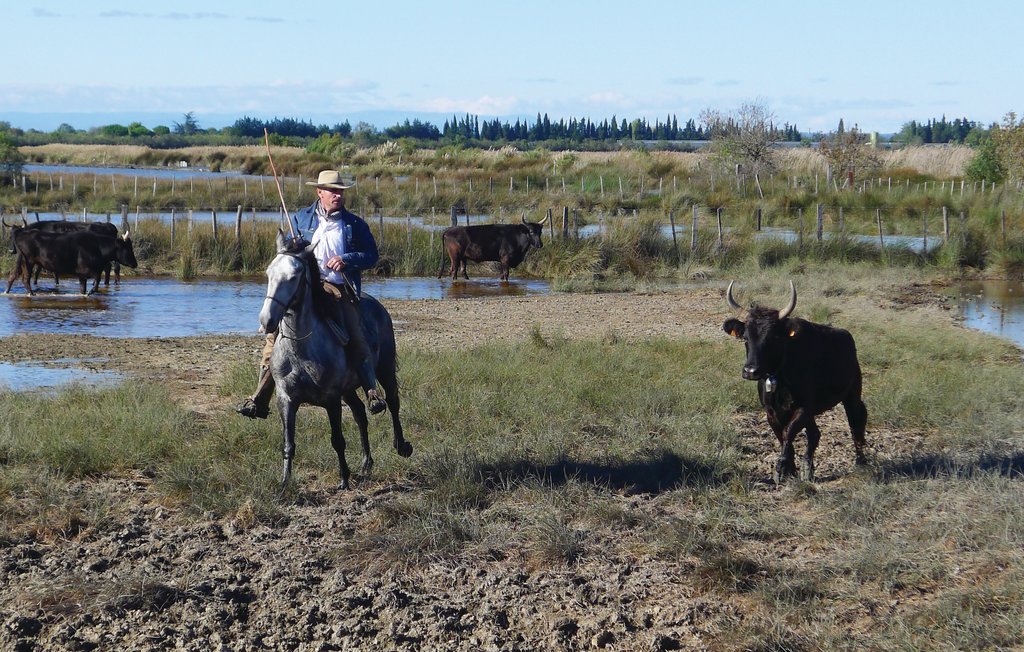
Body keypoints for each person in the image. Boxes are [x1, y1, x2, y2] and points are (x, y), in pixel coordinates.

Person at [236, 169, 387, 419]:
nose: (337, 195)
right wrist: (293, 247)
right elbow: (289, 253)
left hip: (338, 287)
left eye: (340, 191)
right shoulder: (300, 219)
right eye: (332, 191)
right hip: (305, 286)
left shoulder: (354, 225)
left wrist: (347, 260)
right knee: (273, 338)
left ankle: (371, 390)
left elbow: (371, 256)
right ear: (320, 192)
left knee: (356, 334)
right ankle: (259, 398)